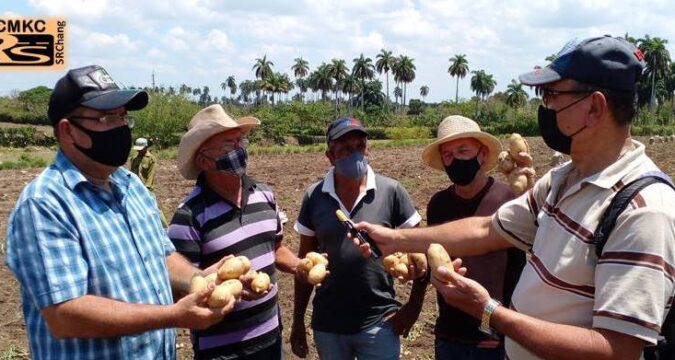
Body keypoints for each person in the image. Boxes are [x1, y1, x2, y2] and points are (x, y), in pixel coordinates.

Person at [353, 36, 675, 359]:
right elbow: (487, 230)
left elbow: (617, 349)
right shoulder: (562, 180)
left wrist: (489, 311)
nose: (544, 108)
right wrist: (394, 239)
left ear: (594, 107)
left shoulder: (642, 211)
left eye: (552, 95)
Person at [5, 65, 234, 360]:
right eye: (105, 117)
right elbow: (65, 313)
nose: (119, 127)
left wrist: (198, 279)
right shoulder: (45, 204)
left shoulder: (130, 185)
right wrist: (173, 315)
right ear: (67, 130)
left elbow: (162, 256)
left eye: (122, 116)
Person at [167, 104, 301, 359]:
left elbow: (276, 249)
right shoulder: (189, 216)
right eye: (229, 144)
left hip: (270, 338)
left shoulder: (265, 195)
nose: (239, 150)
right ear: (204, 160)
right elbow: (180, 290)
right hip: (222, 352)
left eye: (240, 141)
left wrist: (300, 266)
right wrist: (226, 283)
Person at [290, 117, 423, 360]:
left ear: (367, 149)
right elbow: (306, 262)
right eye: (345, 150)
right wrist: (297, 321)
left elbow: (422, 251)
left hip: (380, 321)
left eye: (359, 147)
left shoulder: (391, 191)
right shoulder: (315, 196)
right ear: (330, 156)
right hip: (328, 324)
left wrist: (413, 307)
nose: (355, 154)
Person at [409, 115, 528, 359]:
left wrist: (498, 332)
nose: (455, 159)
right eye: (448, 155)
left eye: (463, 150)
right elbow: (436, 263)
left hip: (495, 336)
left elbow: (521, 266)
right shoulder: (438, 205)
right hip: (449, 334)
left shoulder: (508, 199)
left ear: (483, 154)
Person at [130, 137, 168, 226]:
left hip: (146, 188)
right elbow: (131, 172)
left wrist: (146, 188)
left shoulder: (151, 159)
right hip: (134, 188)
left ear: (146, 147)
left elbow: (151, 176)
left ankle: (165, 228)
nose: (139, 151)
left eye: (141, 149)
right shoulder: (134, 158)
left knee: (155, 208)